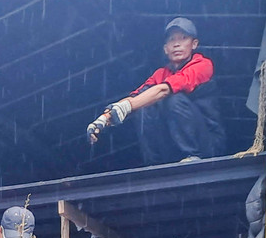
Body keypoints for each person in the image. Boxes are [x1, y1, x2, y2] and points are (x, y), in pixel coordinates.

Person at [87, 17, 226, 165]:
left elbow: (165, 89)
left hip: (208, 146)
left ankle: (192, 156)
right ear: (165, 48)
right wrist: (105, 118)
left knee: (174, 98)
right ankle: (154, 164)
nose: (177, 44)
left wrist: (128, 106)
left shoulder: (202, 65)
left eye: (183, 38)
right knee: (143, 108)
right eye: (172, 40)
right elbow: (135, 97)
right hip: (172, 149)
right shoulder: (161, 74)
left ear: (194, 44)